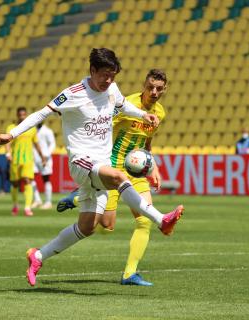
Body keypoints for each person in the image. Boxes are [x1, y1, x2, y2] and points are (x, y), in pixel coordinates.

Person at [0, 48, 183, 287]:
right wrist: (12, 134)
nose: (109, 81)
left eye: (113, 76)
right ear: (92, 70)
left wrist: (143, 115)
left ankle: (38, 256)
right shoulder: (73, 94)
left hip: (101, 164)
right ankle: (162, 220)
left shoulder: (111, 89)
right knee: (119, 177)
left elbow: (123, 106)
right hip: (82, 161)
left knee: (88, 226)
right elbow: (41, 113)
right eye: (104, 75)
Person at [57, 69, 168, 286]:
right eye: (150, 87)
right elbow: (101, 127)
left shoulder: (160, 113)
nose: (154, 92)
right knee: (106, 226)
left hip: (136, 172)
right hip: (112, 169)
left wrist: (153, 167)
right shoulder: (126, 105)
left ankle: (130, 273)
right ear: (143, 85)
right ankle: (79, 198)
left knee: (144, 221)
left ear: (165, 89)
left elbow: (146, 143)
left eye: (159, 89)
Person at [6, 107, 46, 216]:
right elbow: (8, 143)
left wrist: (42, 157)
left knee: (28, 181)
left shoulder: (31, 129)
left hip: (28, 159)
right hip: (15, 159)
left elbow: (36, 144)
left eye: (24, 114)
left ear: (26, 115)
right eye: (20, 115)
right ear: (17, 115)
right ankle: (15, 205)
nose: (22, 117)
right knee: (15, 184)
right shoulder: (11, 128)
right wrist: (8, 153)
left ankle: (27, 207)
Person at [31, 122, 56, 209]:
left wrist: (46, 155)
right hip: (34, 158)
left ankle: (48, 202)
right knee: (30, 178)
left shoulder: (47, 131)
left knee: (46, 179)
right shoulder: (32, 130)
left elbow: (52, 144)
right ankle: (37, 200)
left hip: (45, 159)